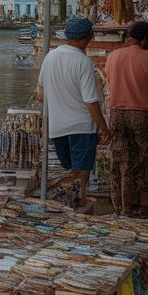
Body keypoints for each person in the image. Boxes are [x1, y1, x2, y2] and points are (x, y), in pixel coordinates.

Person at [37, 16, 111, 206]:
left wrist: (60, 100)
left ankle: (66, 205)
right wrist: (104, 128)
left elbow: (40, 94)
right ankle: (76, 210)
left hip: (57, 127)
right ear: (89, 36)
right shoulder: (83, 62)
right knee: (80, 176)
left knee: (71, 171)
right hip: (82, 127)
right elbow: (91, 102)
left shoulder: (50, 56)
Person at [104, 20, 148, 220]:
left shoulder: (112, 57)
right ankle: (146, 207)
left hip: (117, 114)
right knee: (146, 160)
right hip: (143, 114)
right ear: (145, 39)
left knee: (122, 159)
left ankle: (122, 207)